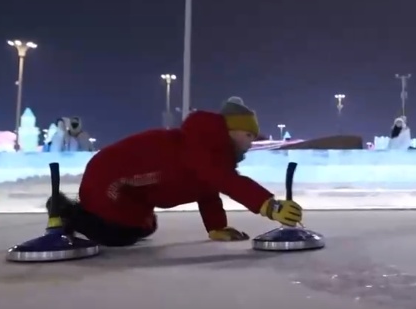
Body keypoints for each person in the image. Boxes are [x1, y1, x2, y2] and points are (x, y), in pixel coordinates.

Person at [47, 96, 303, 246]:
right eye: (248, 135)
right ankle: (65, 212)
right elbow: (223, 180)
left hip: (133, 191)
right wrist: (271, 206)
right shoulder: (201, 146)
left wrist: (216, 227)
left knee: (145, 228)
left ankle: (81, 214)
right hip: (108, 179)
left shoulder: (210, 152)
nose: (251, 142)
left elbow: (207, 188)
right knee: (120, 235)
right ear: (231, 132)